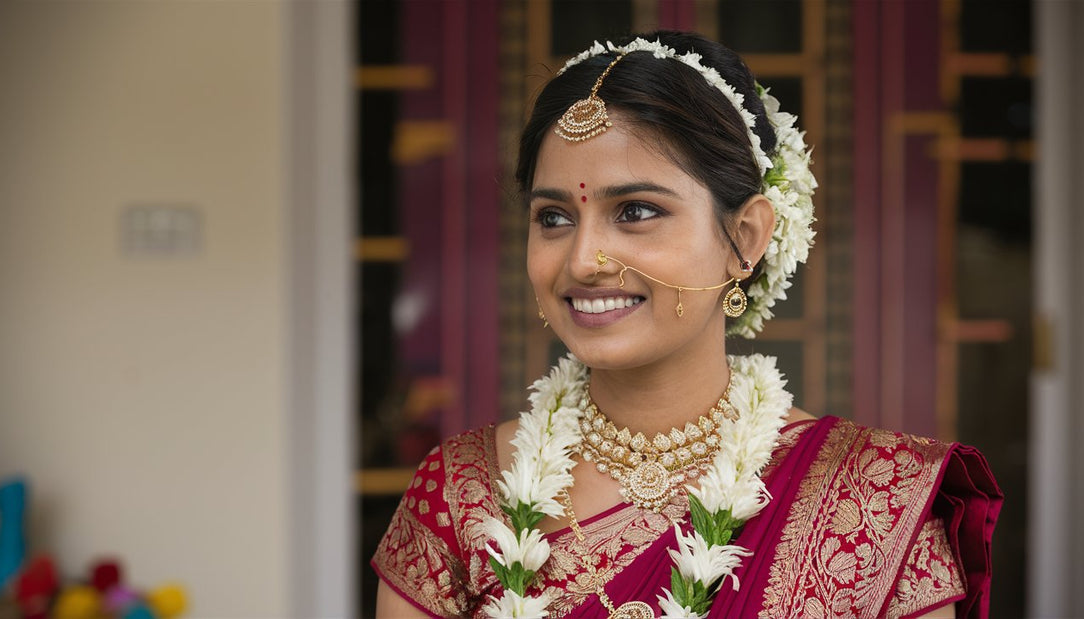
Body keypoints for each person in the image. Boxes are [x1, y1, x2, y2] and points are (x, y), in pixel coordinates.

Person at [372, 31, 1002, 619]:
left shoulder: (872, 497)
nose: (584, 260)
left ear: (746, 237)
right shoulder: (461, 494)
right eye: (554, 218)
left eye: (637, 210)